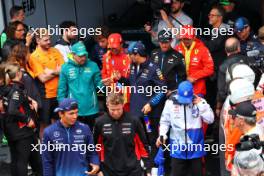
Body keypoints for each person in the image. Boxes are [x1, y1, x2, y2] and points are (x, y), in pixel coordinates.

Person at [115, 41, 167, 169]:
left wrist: (151, 103)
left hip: (150, 114)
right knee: (138, 139)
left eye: (130, 54)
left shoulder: (153, 68)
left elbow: (163, 89)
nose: (128, 57)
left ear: (137, 54)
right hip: (135, 112)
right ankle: (142, 165)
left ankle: (155, 167)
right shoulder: (133, 66)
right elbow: (131, 84)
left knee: (152, 139)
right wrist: (120, 79)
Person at [156, 81, 214, 176]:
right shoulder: (170, 102)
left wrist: (202, 105)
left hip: (195, 148)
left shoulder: (200, 101)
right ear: (178, 93)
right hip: (177, 149)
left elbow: (210, 119)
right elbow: (164, 122)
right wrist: (162, 135)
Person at [94, 92, 151, 176]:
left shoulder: (134, 120)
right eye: (113, 110)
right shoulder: (99, 122)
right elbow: (95, 146)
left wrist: (148, 168)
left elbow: (143, 144)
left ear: (123, 105)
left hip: (132, 169)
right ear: (107, 105)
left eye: (118, 109)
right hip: (108, 169)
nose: (116, 113)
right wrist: (98, 167)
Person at [42, 98, 100, 176]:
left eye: (76, 112)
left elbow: (92, 153)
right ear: (60, 114)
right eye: (71, 113)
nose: (75, 116)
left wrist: (96, 164)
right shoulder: (48, 132)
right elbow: (47, 161)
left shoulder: (85, 128)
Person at [2, 63, 42, 176]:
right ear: (19, 73)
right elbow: (12, 109)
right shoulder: (16, 90)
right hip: (22, 132)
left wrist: (28, 100)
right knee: (22, 161)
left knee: (16, 160)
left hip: (11, 130)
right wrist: (28, 119)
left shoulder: (7, 88)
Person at [57, 41, 103, 130]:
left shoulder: (93, 66)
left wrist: (103, 85)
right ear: (73, 55)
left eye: (85, 55)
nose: (83, 58)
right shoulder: (65, 67)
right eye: (80, 56)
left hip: (92, 109)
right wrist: (62, 109)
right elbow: (61, 90)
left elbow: (99, 87)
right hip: (73, 110)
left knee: (91, 138)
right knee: (75, 139)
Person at [28, 28, 64, 137]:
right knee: (45, 125)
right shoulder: (34, 56)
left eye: (49, 39)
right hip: (45, 96)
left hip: (59, 93)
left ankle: (58, 147)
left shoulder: (55, 51)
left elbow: (63, 70)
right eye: (45, 40)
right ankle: (45, 150)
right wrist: (56, 71)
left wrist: (51, 72)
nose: (49, 42)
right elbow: (42, 78)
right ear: (38, 41)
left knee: (58, 122)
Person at [216, 37, 254, 117]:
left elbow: (221, 91)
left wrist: (218, 107)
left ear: (225, 50)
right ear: (238, 48)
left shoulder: (223, 66)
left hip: (231, 104)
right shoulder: (248, 61)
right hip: (250, 101)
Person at [175, 25, 214, 97]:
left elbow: (210, 69)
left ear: (194, 37)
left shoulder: (202, 49)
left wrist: (194, 77)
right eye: (184, 38)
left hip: (197, 90)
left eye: (188, 39)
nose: (185, 41)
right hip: (180, 89)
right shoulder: (177, 48)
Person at [101, 33, 131, 111]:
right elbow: (104, 72)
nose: (112, 50)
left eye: (115, 48)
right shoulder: (106, 57)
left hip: (126, 95)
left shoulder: (129, 57)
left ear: (121, 44)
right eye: (110, 48)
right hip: (111, 94)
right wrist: (106, 79)